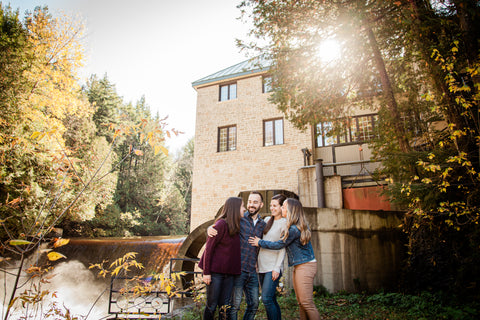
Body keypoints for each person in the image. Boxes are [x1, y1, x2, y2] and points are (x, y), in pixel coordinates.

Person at [248, 198, 321, 320]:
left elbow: (279, 245)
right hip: (299, 266)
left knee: (307, 303)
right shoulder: (291, 225)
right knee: (301, 302)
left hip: (305, 265)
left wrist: (259, 242)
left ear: (290, 209)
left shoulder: (293, 229)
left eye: (283, 207)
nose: (281, 209)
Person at [207, 191, 266, 320]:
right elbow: (222, 223)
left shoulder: (263, 224)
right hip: (238, 269)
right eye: (249, 202)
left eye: (255, 202)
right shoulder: (240, 218)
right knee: (234, 305)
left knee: (254, 304)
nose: (251, 205)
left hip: (252, 269)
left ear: (261, 205)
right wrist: (209, 228)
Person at [199, 197, 244, 320]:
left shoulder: (236, 226)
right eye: (242, 206)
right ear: (235, 208)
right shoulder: (221, 224)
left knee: (225, 307)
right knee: (212, 305)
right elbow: (208, 250)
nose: (244, 209)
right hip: (215, 274)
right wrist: (206, 272)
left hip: (228, 275)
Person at [257, 194, 287, 320]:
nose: (272, 208)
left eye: (275, 205)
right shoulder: (266, 220)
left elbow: (282, 247)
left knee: (266, 298)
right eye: (271, 205)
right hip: (261, 266)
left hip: (272, 267)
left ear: (281, 207)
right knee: (271, 298)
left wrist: (277, 267)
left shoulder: (284, 223)